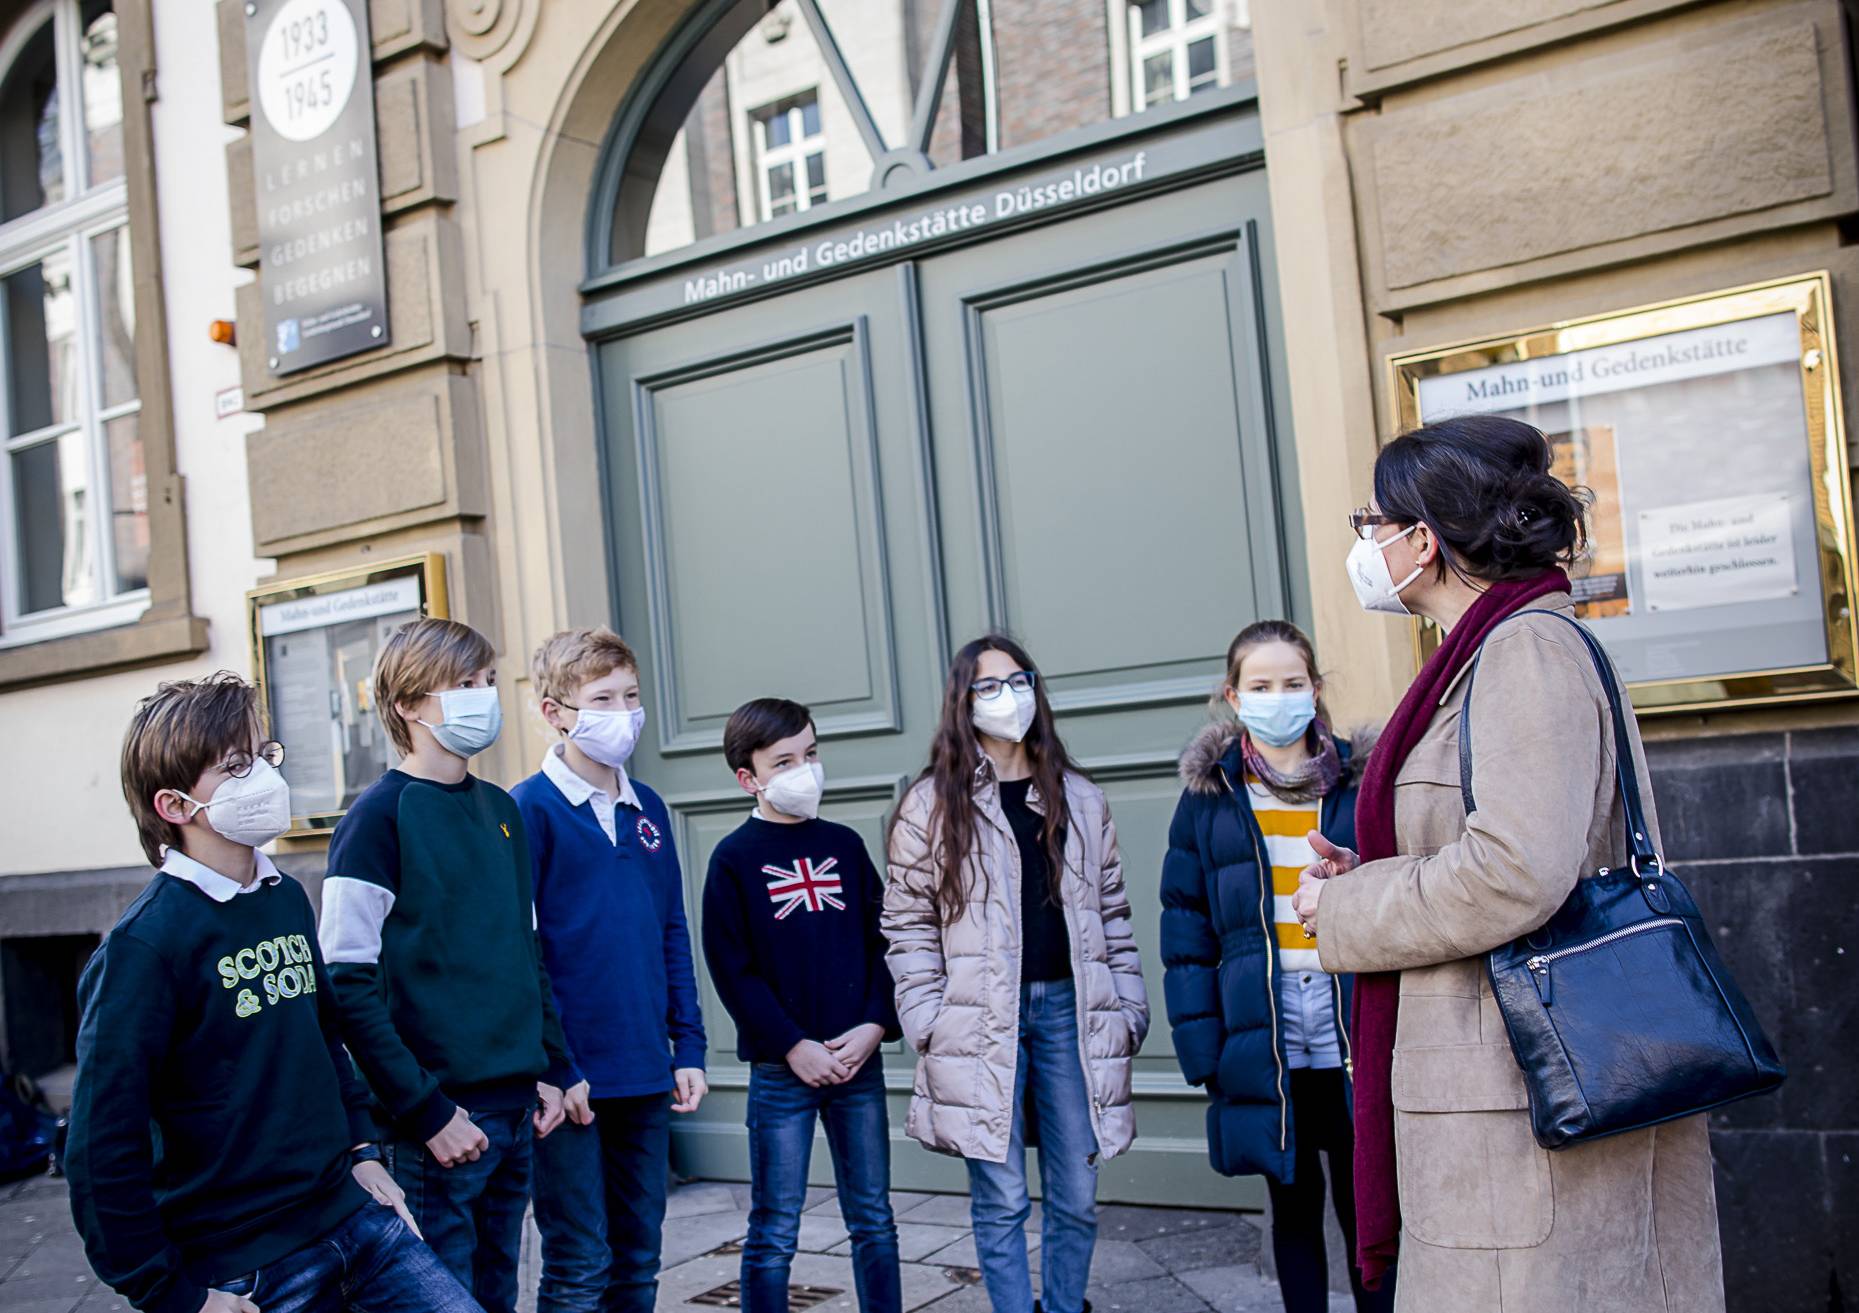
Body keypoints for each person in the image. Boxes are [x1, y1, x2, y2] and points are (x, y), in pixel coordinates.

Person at [1289, 415, 1725, 1312]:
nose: (1364, 543)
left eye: (1370, 522)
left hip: (1517, 1084)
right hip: (1493, 1078)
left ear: (1422, 537)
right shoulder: (1487, 651)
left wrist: (1350, 907)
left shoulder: (1523, 648)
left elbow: (1516, 870)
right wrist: (1375, 864)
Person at [66, 672, 481, 1313]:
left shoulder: (282, 894)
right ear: (173, 807)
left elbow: (323, 1038)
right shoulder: (144, 948)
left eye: (263, 755)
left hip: (352, 1219)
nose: (262, 776)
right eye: (234, 767)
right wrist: (173, 1296)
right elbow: (101, 1146)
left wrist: (362, 1149)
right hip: (245, 1266)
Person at [882, 635, 1149, 1313]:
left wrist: (1126, 1005)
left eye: (1019, 679)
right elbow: (907, 923)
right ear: (962, 702)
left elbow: (1113, 912)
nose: (1009, 696)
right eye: (990, 686)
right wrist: (926, 1017)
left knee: (1076, 1192)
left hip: (1070, 1010)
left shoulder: (1080, 799)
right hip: (979, 1018)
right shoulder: (930, 804)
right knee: (1000, 1196)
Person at [320, 618, 575, 1313]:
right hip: (439, 1122)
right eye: (463, 684)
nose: (482, 697)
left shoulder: (500, 809)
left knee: (498, 1292)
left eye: (488, 681)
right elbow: (346, 984)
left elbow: (526, 952)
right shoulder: (376, 818)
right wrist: (426, 1110)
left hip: (516, 1108)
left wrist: (550, 1065)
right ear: (406, 703)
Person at [1161, 621, 1391, 1313]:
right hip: (1262, 1027)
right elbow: (1185, 926)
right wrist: (1204, 1049)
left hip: (1351, 1017)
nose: (1277, 697)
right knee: (1291, 1202)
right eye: (1260, 686)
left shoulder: (1361, 780)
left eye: (1292, 683)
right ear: (1233, 696)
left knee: (1368, 1204)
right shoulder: (1211, 797)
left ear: (1314, 689)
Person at [511, 627, 708, 1313]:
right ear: (554, 711)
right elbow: (521, 949)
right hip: (570, 1081)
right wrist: (554, 1065)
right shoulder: (526, 810)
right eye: (601, 698)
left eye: (630, 695)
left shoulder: (647, 807)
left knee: (638, 1257)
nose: (621, 712)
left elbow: (671, 929)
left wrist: (688, 1044)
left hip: (643, 1068)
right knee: (578, 1260)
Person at [702, 698, 902, 1313]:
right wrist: (792, 1044)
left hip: (856, 1062)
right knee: (774, 1228)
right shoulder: (733, 861)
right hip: (782, 1072)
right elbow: (733, 972)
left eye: (810, 754)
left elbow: (885, 942)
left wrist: (874, 1022)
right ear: (749, 778)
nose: (804, 770)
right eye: (784, 761)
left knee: (873, 1216)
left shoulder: (842, 845)